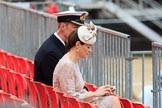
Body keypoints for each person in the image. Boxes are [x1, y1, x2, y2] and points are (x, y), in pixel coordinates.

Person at [53, 22, 121, 108]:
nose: (90, 50)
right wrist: (96, 93)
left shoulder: (71, 62)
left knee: (112, 99)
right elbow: (70, 98)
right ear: (78, 45)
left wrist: (98, 92)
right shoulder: (67, 65)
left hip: (80, 104)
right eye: (88, 47)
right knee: (113, 101)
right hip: (75, 105)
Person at [34, 10, 88, 86]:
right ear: (63, 26)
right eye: (75, 28)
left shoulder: (59, 45)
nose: (78, 33)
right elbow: (57, 86)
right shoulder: (51, 53)